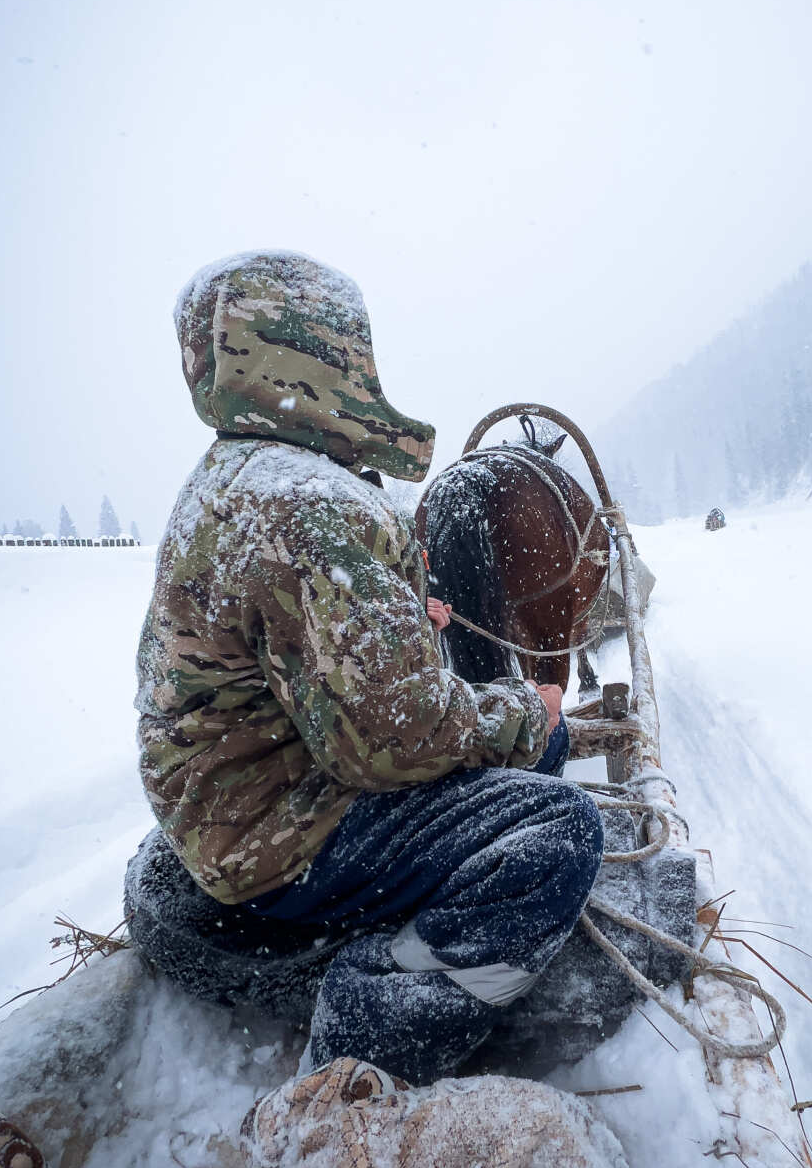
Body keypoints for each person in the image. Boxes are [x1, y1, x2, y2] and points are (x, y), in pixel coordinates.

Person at [135, 251, 603, 1083]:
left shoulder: (235, 476)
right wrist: (529, 708)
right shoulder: (312, 505)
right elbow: (390, 741)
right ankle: (364, 1039)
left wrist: (397, 632)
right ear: (323, 356)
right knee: (563, 826)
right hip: (280, 834)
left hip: (227, 806)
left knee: (533, 759)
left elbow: (289, 655)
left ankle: (404, 923)